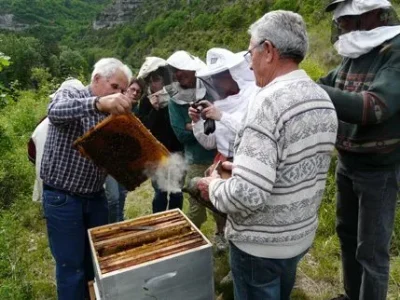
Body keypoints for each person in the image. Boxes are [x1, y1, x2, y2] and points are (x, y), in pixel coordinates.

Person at [197, 10, 338, 299]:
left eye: (251, 54)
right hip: (298, 238)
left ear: (269, 51)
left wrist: (214, 187)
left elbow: (246, 195)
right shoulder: (321, 96)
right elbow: (289, 166)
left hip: (259, 247)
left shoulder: (266, 104)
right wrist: (240, 169)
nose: (250, 66)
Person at [319, 1, 400, 299]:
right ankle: (352, 294)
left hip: (378, 170)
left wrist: (315, 89)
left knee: (372, 251)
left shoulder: (394, 52)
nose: (342, 28)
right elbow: (330, 81)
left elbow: (374, 107)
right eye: (341, 23)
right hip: (347, 164)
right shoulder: (354, 54)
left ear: (374, 16)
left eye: (347, 21)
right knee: (347, 235)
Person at [40, 58, 133, 300]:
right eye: (115, 87)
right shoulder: (72, 91)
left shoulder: (114, 115)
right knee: (72, 267)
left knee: (96, 260)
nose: (119, 95)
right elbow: (55, 112)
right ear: (97, 79)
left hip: (95, 197)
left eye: (123, 91)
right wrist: (98, 103)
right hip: (63, 198)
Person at [189, 48, 256, 252]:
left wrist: (221, 117)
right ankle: (227, 244)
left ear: (233, 73)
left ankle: (245, 254)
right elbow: (209, 143)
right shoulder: (220, 103)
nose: (215, 82)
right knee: (220, 206)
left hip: (247, 162)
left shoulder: (254, 95)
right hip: (223, 160)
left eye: (218, 76)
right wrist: (198, 122)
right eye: (212, 77)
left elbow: (253, 133)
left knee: (244, 215)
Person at [166, 51, 227, 249]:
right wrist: (199, 125)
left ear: (194, 72)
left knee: (219, 202)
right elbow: (180, 133)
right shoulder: (174, 99)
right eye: (175, 72)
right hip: (194, 158)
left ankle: (220, 236)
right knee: (196, 206)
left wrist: (192, 125)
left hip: (218, 156)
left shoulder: (209, 88)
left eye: (182, 71)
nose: (178, 75)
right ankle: (192, 243)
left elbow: (222, 121)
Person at [136, 57, 184, 213]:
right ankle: (159, 223)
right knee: (160, 193)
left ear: (164, 80)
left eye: (156, 80)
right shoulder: (145, 102)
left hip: (177, 150)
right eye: (150, 81)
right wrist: (154, 110)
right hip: (157, 152)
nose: (152, 84)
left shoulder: (176, 96)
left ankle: (176, 223)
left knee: (176, 191)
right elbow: (143, 127)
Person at [28, 79, 84, 202]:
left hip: (49, 181)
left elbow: (31, 155)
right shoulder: (80, 125)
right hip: (67, 188)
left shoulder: (40, 125)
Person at [104, 77, 145, 223]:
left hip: (125, 160)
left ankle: (119, 221)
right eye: (132, 89)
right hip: (109, 158)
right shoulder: (113, 104)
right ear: (126, 89)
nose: (134, 93)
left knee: (122, 194)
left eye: (138, 92)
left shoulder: (138, 110)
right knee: (113, 197)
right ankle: (109, 227)